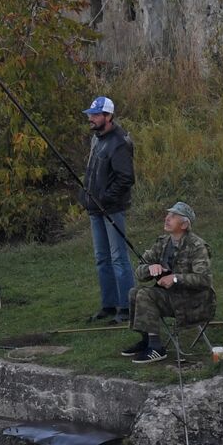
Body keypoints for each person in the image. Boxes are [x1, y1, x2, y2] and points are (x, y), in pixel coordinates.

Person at [120, 201, 215, 364]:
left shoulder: (197, 247)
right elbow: (139, 271)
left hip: (193, 302)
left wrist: (175, 278)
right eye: (168, 215)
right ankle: (147, 342)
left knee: (145, 294)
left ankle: (157, 349)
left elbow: (204, 280)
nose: (167, 218)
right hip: (172, 297)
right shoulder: (162, 243)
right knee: (134, 292)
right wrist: (150, 268)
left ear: (184, 224)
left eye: (173, 216)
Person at [79, 95, 136, 323]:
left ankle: (126, 306)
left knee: (118, 258)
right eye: (90, 115)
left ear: (108, 116)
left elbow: (126, 178)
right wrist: (85, 195)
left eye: (95, 115)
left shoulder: (120, 142)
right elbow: (91, 171)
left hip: (112, 209)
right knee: (101, 258)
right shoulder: (96, 139)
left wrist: (105, 198)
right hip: (94, 208)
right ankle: (109, 304)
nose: (91, 119)